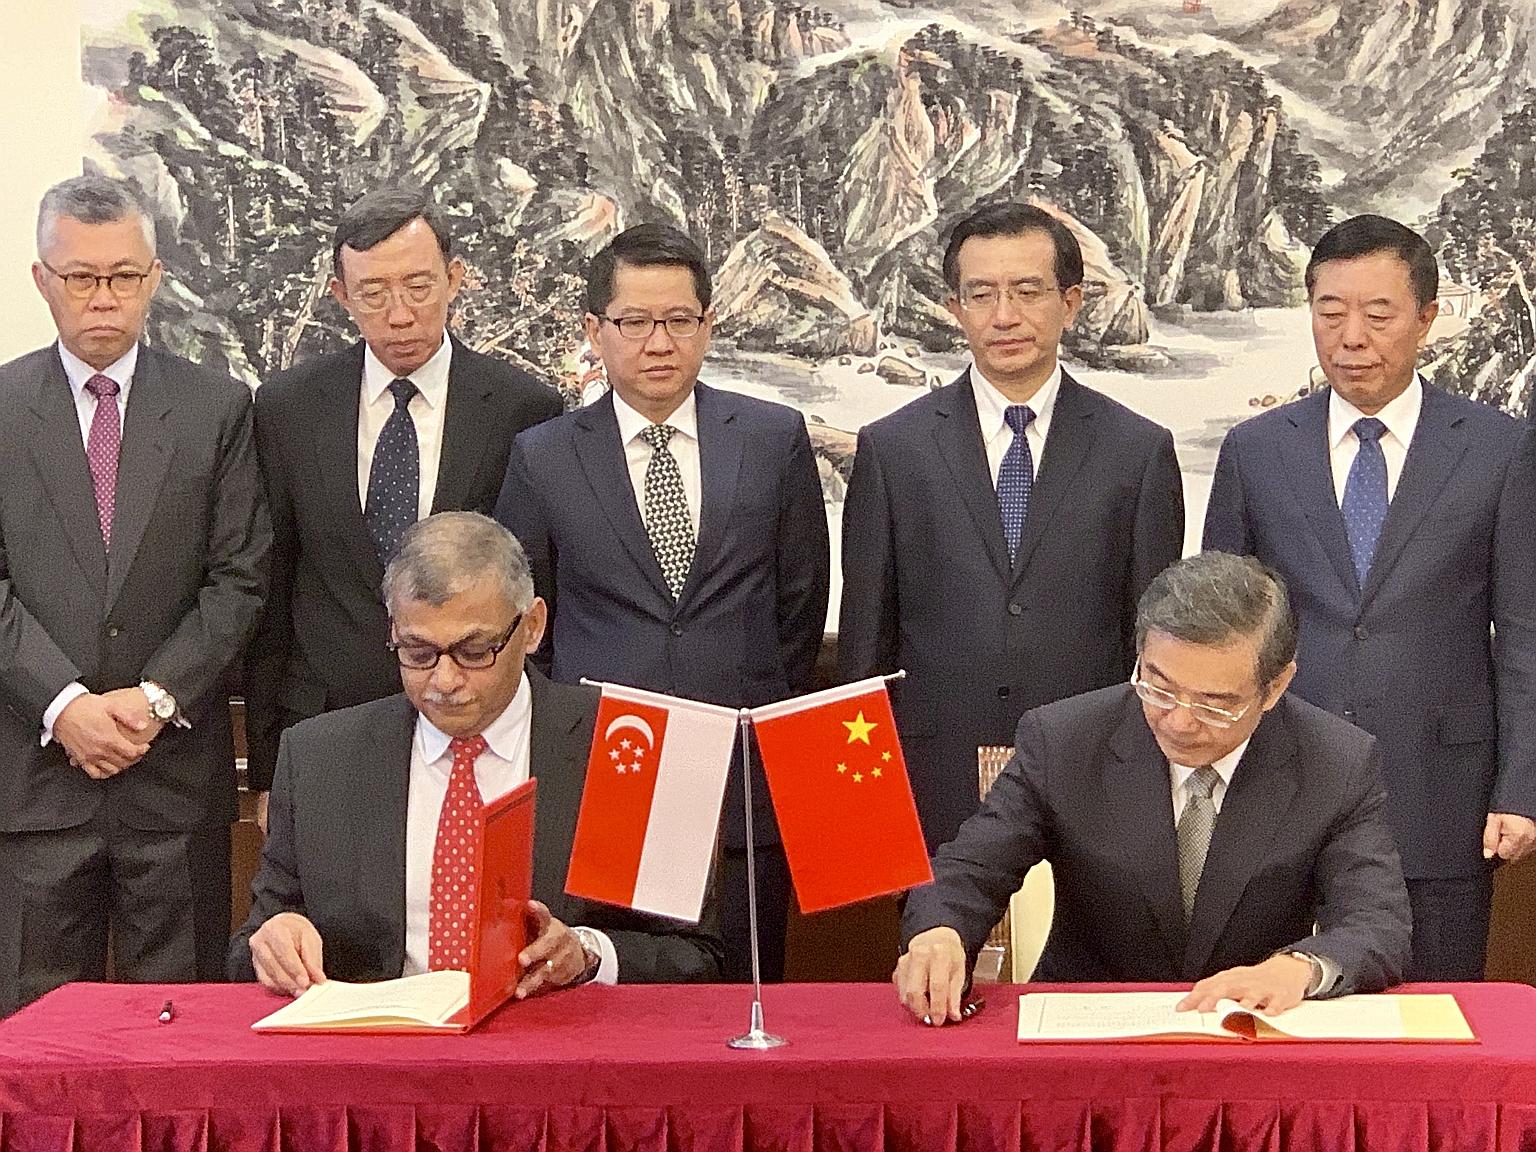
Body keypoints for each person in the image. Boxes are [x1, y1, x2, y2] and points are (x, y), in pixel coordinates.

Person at [1203, 214, 1536, 980]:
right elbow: (1218, 633)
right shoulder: (1256, 451)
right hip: (1279, 789)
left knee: (1432, 1021)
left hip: (1441, 790)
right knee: (1269, 1017)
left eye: (1378, 314)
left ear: (1425, 318)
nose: (1350, 336)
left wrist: (1521, 787)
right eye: (1329, 311)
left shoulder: (1498, 448)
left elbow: (1523, 630)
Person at [494, 223, 829, 983]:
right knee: (609, 1012)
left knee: (747, 1002)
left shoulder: (772, 439)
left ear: (708, 325)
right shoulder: (543, 456)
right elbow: (529, 627)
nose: (658, 342)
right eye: (634, 322)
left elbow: (799, 608)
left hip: (739, 785)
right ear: (595, 331)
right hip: (602, 778)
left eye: (679, 320)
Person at [897, 552, 1411, 1025]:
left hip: (1247, 1032)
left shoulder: (1336, 760)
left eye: (1215, 704)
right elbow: (971, 867)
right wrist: (940, 931)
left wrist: (1300, 968)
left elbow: (1377, 923)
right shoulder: (1064, 739)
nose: (1180, 722)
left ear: (1275, 686)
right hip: (1087, 1033)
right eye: (1159, 687)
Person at [230, 513, 723, 992]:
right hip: (383, 1055)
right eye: (418, 653)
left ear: (531, 627)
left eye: (474, 651)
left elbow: (701, 956)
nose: (444, 682)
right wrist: (274, 941)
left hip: (562, 1053)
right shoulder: (321, 759)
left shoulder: (626, 747)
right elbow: (256, 939)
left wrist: (589, 955)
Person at [0, 175, 270, 1013]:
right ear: (42, 279)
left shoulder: (216, 408)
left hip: (172, 784)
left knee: (181, 1030)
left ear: (155, 278)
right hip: (35, 784)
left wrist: (154, 700)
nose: (103, 298)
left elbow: (241, 575)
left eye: (123, 275)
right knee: (33, 1043)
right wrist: (64, 706)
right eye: (81, 276)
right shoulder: (1, 409)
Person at [839, 202, 1184, 851]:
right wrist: (864, 810)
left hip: (1091, 779)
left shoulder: (1136, 453)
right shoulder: (894, 450)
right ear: (954, 307)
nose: (1005, 316)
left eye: (1028, 292)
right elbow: (865, 649)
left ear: (1071, 302)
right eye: (982, 294)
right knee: (944, 951)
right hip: (930, 778)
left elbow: (1155, 649)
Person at [245, 188, 562, 832]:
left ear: (455, 278)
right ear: (340, 294)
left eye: (419, 287)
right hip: (324, 731)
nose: (398, 315)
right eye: (372, 293)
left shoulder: (520, 409)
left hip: (474, 731)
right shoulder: (288, 409)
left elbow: (536, 590)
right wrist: (269, 765)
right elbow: (271, 591)